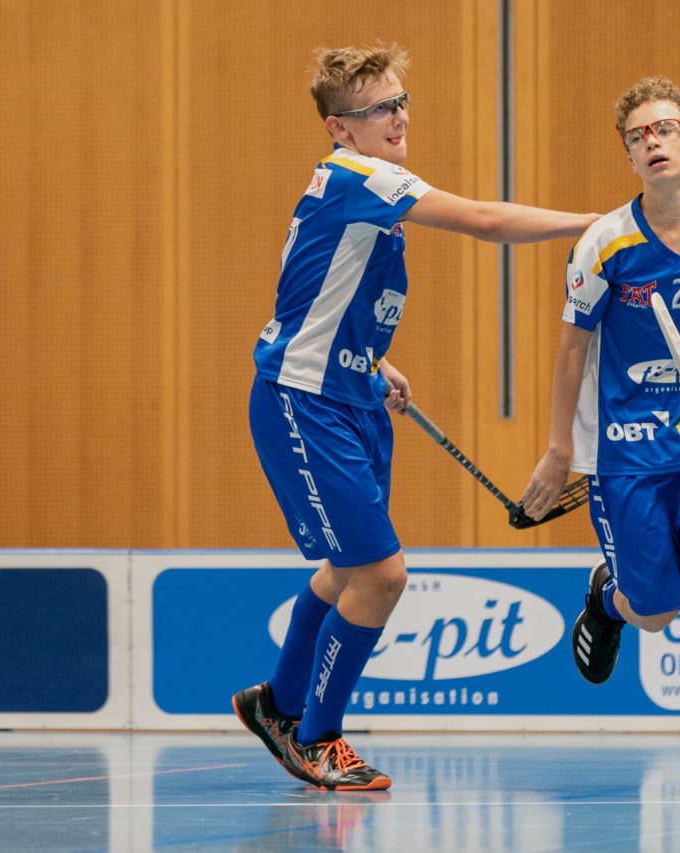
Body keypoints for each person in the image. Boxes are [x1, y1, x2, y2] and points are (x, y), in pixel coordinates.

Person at [235, 43, 597, 792]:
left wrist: (371, 358)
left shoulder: (362, 192)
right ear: (341, 128)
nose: (398, 117)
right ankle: (319, 736)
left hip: (347, 391)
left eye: (401, 102)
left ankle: (276, 701)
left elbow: (313, 290)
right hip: (304, 402)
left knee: (348, 571)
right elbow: (488, 221)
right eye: (379, 108)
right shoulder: (362, 176)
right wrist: (597, 225)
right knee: (382, 575)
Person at [519, 76, 680, 796]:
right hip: (624, 452)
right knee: (656, 613)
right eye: (638, 136)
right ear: (630, 158)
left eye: (664, 129)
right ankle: (609, 598)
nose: (652, 142)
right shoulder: (605, 244)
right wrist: (558, 448)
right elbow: (572, 348)